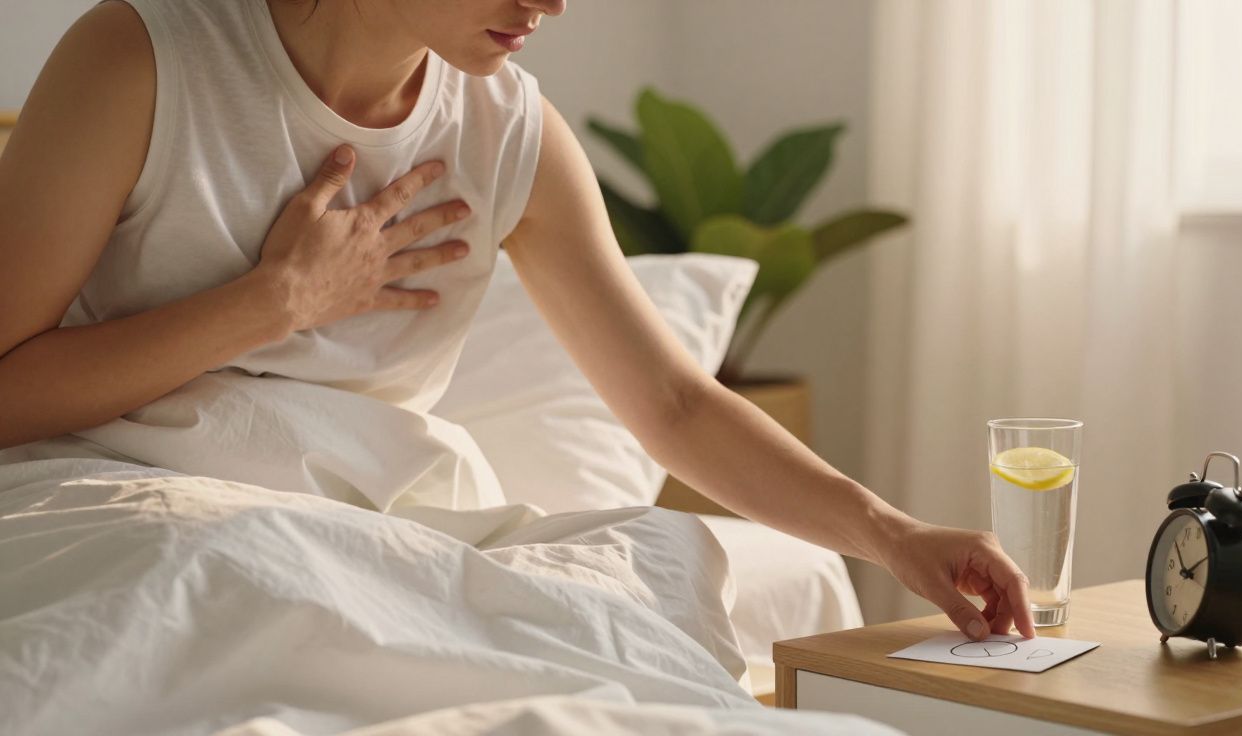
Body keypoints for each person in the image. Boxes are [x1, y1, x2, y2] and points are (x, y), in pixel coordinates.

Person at [0, 0, 1035, 643]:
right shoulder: (143, 58)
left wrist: (892, 534)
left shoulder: (509, 133)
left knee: (642, 587)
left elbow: (673, 403)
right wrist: (271, 304)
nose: (552, 2)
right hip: (129, 499)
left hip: (371, 528)